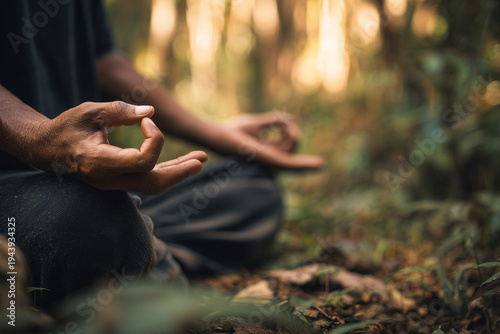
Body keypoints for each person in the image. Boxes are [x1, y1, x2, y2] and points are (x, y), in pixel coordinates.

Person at [0, 0, 324, 310]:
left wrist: (218, 132)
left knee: (255, 190)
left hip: (89, 191)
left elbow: (105, 58)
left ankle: (140, 255)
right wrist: (37, 137)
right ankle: (139, 256)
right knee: (88, 222)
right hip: (19, 195)